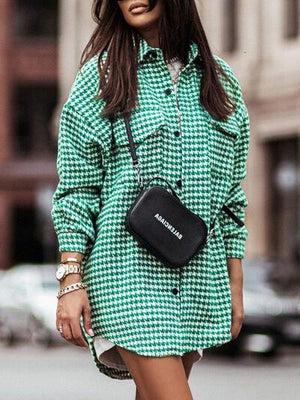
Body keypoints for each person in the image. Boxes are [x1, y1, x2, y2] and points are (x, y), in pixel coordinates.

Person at [51, 1, 250, 399]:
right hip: (127, 275)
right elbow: (76, 188)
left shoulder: (221, 81)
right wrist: (70, 279)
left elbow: (231, 197)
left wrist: (235, 280)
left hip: (198, 279)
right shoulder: (102, 78)